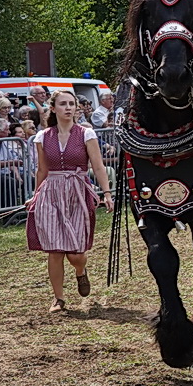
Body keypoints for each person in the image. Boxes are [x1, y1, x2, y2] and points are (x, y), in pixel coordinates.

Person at [26, 91, 114, 312]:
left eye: (71, 104)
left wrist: (107, 193)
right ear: (53, 108)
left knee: (76, 252)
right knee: (55, 250)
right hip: (51, 192)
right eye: (63, 104)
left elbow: (98, 166)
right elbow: (42, 170)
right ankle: (58, 298)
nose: (68, 108)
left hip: (77, 192)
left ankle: (80, 271)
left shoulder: (86, 134)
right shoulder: (43, 136)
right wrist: (35, 196)